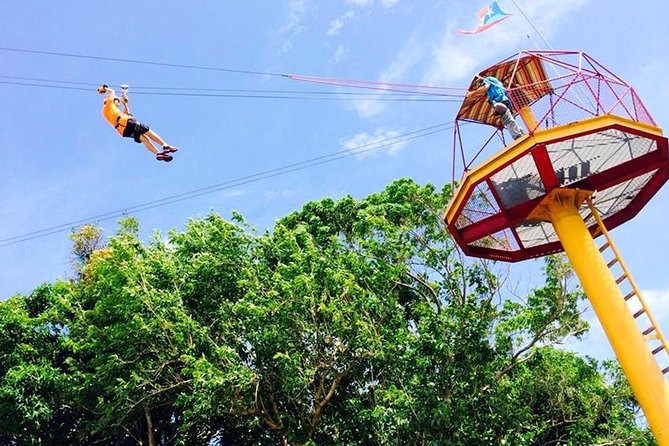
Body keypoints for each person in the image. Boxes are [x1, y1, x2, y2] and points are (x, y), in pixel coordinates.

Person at [97, 84, 178, 162]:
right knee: (147, 130)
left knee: (144, 138)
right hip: (125, 122)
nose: (118, 103)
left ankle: (158, 153)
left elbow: (127, 114)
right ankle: (165, 145)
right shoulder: (108, 104)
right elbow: (112, 92)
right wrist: (104, 88)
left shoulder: (112, 112)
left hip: (123, 130)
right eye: (117, 101)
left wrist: (125, 103)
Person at [467, 75, 525, 140]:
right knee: (510, 119)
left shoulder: (487, 79)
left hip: (500, 101)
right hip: (505, 101)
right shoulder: (495, 84)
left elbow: (485, 87)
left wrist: (472, 94)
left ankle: (518, 136)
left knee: (507, 119)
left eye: (479, 83)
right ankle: (521, 133)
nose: (479, 85)